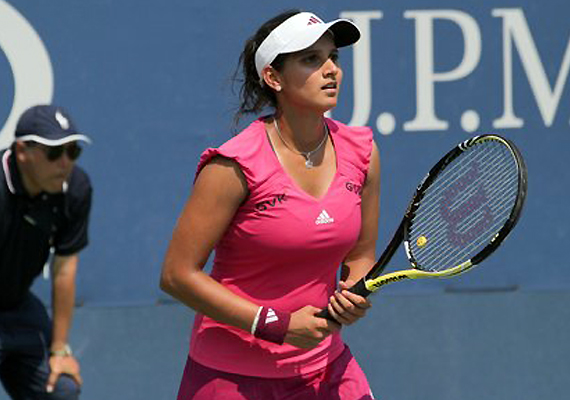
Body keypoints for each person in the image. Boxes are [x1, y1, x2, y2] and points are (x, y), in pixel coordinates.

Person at [161, 9, 380, 400]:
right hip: (232, 379)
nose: (331, 69)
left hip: (328, 368)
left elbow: (361, 255)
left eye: (333, 57)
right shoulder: (233, 166)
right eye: (311, 59)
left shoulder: (362, 152)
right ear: (273, 78)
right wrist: (274, 323)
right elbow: (177, 275)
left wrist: (355, 293)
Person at [0, 105, 92, 399]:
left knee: (62, 389)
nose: (65, 163)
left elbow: (64, 268)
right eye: (54, 152)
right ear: (22, 151)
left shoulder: (75, 188)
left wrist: (60, 349)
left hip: (18, 307)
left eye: (72, 151)